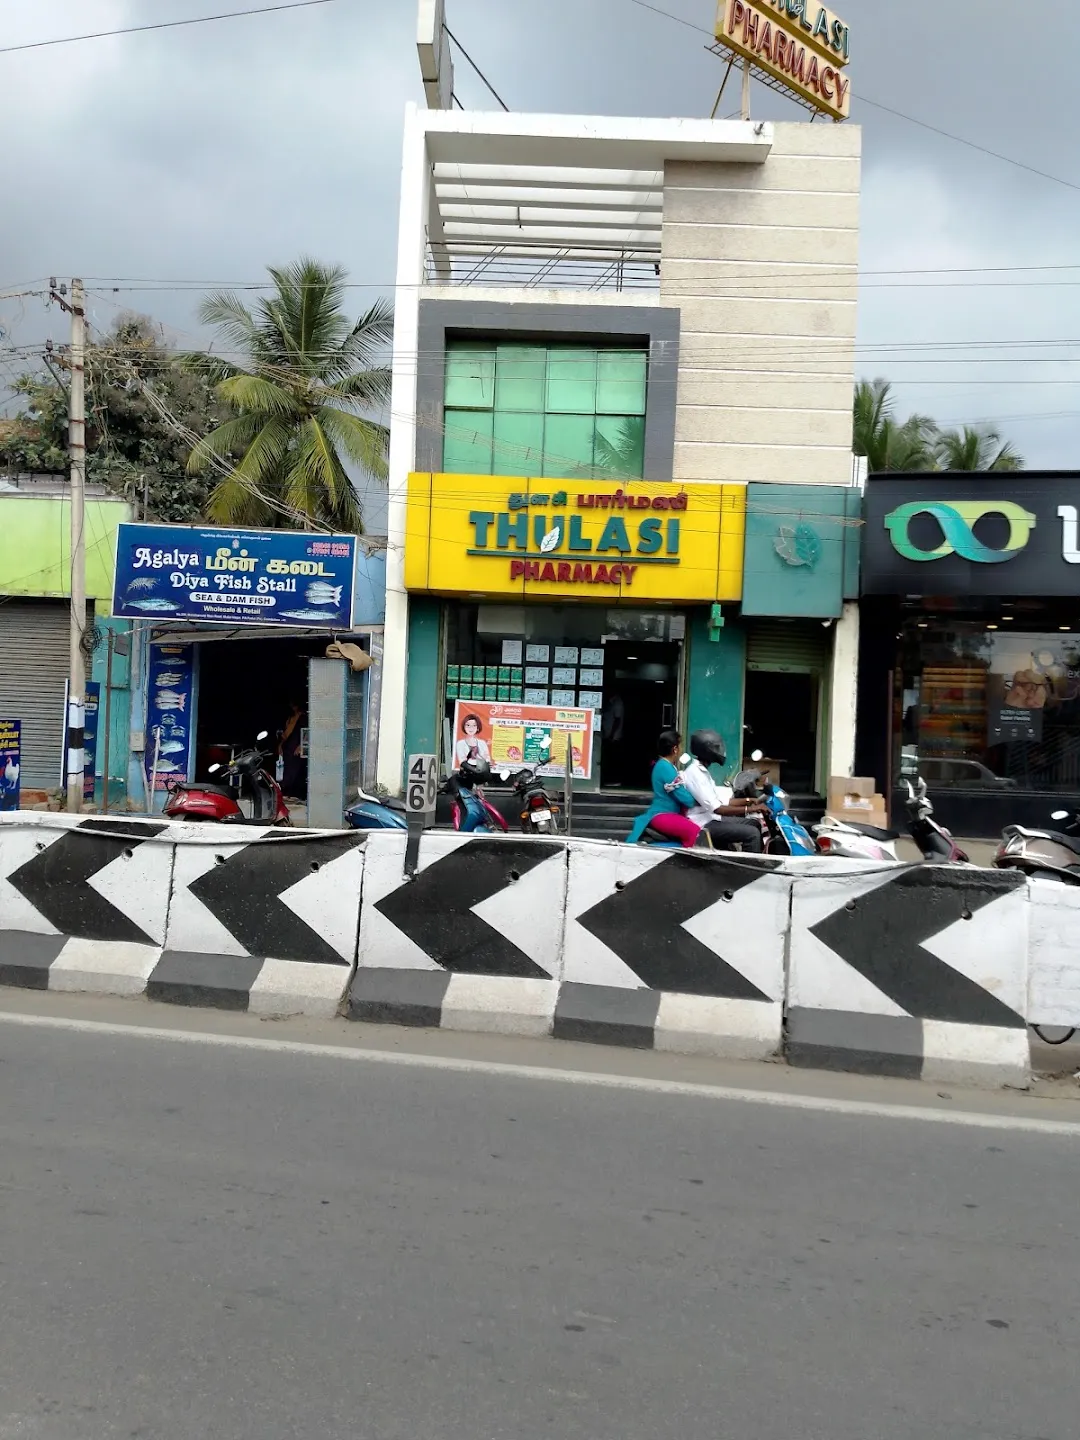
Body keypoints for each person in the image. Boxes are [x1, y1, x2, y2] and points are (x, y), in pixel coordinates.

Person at [681, 729, 766, 853]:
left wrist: (749, 801)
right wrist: (751, 809)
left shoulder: (702, 771)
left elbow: (721, 801)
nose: (720, 751)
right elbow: (717, 808)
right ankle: (748, 870)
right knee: (752, 834)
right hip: (702, 823)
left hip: (711, 817)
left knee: (754, 824)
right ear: (706, 750)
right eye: (716, 748)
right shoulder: (695, 773)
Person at [627, 730, 702, 846]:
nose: (682, 749)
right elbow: (680, 793)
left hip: (669, 813)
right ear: (675, 749)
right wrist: (698, 801)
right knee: (694, 832)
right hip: (663, 813)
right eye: (680, 746)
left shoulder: (666, 766)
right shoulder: (664, 767)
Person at [277, 698, 308, 800]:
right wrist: (280, 745)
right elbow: (286, 734)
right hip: (287, 747)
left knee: (295, 771)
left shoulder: (303, 717)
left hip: (296, 748)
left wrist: (301, 746)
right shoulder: (290, 718)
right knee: (285, 771)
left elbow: (306, 732)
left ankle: (295, 794)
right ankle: (285, 793)